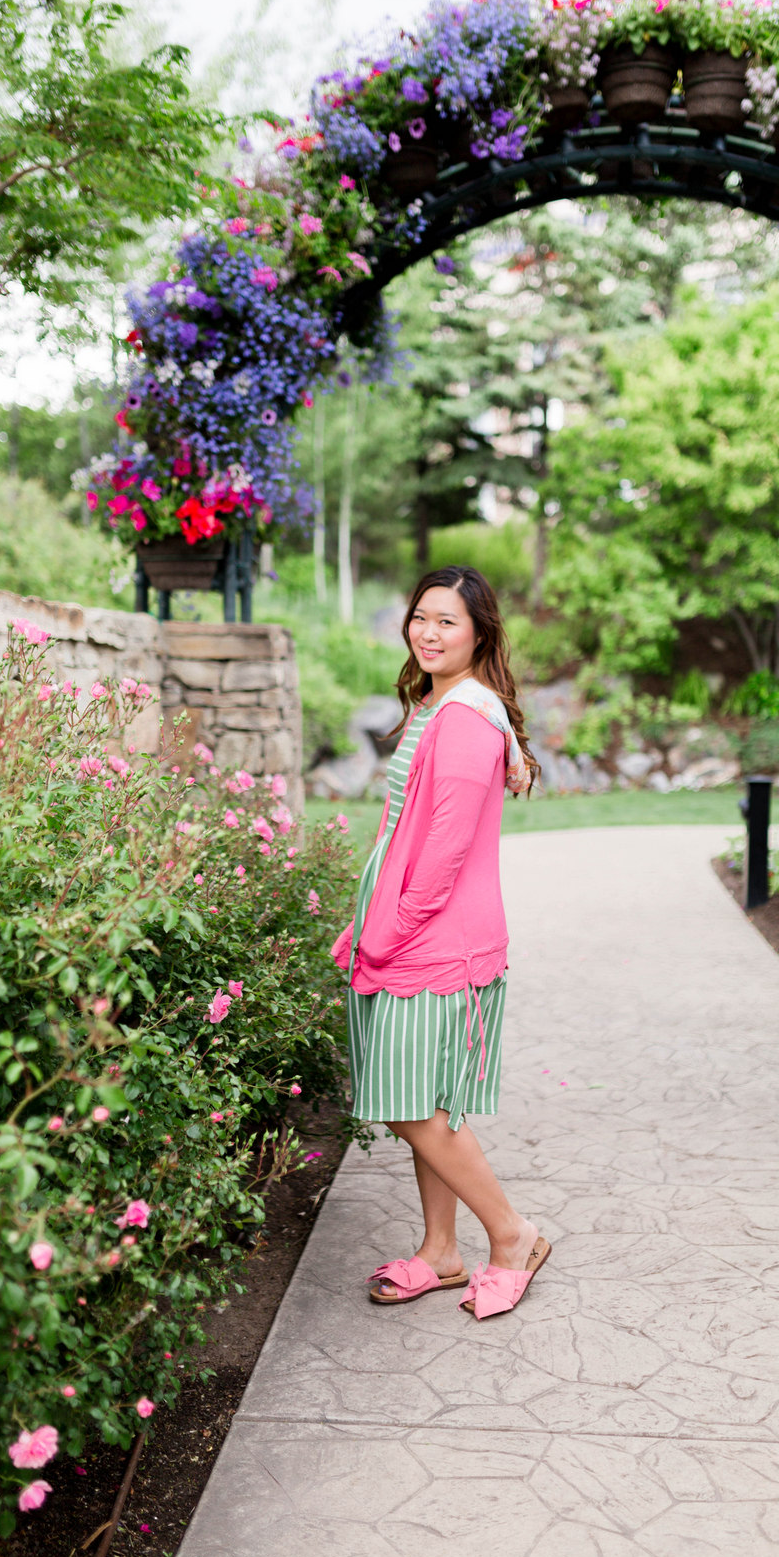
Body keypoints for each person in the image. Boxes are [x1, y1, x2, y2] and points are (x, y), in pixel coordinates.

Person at [331, 566, 551, 1321]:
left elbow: (443, 852)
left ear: (479, 633)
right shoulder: (437, 702)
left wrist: (383, 937)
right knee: (417, 1098)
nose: (427, 632)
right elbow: (400, 833)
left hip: (434, 942)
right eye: (420, 617)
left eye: (447, 621)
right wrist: (362, 925)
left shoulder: (463, 716)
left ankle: (511, 1235)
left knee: (414, 1109)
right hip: (407, 932)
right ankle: (439, 1251)